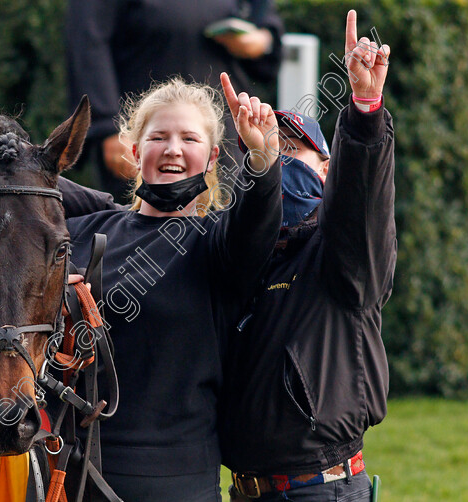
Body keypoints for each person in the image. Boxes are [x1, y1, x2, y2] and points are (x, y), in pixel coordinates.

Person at [59, 73, 282, 501]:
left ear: (214, 156)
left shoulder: (220, 243)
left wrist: (261, 160)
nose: (173, 149)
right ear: (134, 150)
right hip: (76, 473)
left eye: (190, 139)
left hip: (182, 481)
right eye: (159, 136)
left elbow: (255, 226)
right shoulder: (79, 233)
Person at [219, 10, 394, 501]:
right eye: (269, 150)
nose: (279, 158)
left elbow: (360, 199)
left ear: (328, 170)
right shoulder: (239, 256)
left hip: (321, 490)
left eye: (293, 149)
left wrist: (364, 109)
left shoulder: (343, 253)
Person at [64, 0, 284, 203]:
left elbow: (266, 29)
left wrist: (262, 41)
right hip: (143, 135)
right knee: (144, 230)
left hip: (224, 138)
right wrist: (106, 126)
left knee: (224, 227)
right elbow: (87, 40)